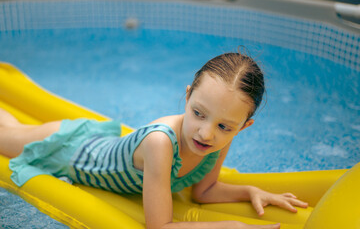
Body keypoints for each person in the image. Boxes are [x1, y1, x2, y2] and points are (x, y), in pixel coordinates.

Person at [0, 52, 308, 229]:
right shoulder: (161, 144)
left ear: (244, 126)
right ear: (187, 96)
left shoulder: (218, 139)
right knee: (6, 137)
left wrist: (251, 190)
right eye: (198, 113)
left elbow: (205, 192)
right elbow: (158, 227)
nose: (206, 133)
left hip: (92, 144)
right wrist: (232, 226)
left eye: (225, 127)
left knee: (11, 127)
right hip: (69, 151)